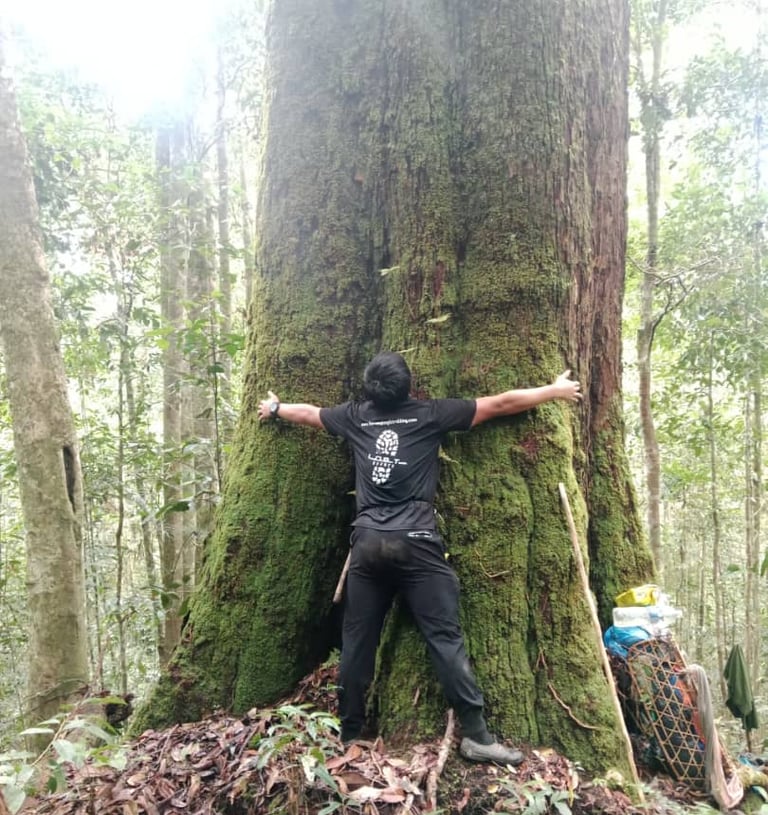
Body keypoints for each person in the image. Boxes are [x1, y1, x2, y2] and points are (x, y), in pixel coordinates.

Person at [258, 352, 582, 764]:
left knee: (357, 640)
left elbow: (309, 414)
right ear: (409, 386)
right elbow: (501, 404)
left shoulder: (355, 417)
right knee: (444, 638)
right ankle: (477, 735)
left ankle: (351, 734)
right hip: (416, 542)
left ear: (369, 388)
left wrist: (275, 408)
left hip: (368, 543)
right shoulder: (430, 414)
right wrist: (553, 391)